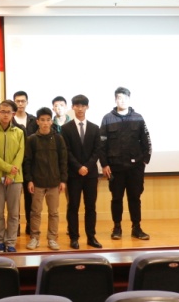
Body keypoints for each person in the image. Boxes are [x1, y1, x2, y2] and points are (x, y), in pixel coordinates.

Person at [99, 86, 152, 241]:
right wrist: (104, 164)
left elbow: (146, 140)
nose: (122, 101)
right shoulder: (107, 118)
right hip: (115, 168)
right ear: (115, 99)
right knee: (116, 198)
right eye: (119, 98)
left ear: (129, 99)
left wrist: (144, 160)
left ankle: (136, 227)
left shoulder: (138, 117)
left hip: (135, 168)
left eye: (125, 98)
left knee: (135, 198)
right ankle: (117, 227)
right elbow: (102, 144)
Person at [60, 94, 102, 249]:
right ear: (72, 107)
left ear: (87, 107)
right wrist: (78, 167)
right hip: (73, 175)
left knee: (91, 207)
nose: (80, 108)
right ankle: (74, 237)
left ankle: (91, 237)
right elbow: (66, 151)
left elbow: (97, 150)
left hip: (90, 175)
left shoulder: (95, 128)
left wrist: (87, 167)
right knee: (73, 206)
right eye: (77, 105)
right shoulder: (66, 128)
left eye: (83, 105)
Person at [24, 107, 67, 251]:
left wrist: (63, 180)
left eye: (48, 120)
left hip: (54, 182)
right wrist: (29, 180)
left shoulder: (58, 139)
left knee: (54, 213)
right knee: (35, 212)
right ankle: (34, 238)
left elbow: (63, 160)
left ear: (51, 121)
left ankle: (52, 239)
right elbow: (27, 161)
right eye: (42, 120)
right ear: (37, 121)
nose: (45, 123)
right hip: (37, 183)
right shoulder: (31, 139)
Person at [0, 100, 24, 253]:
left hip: (15, 178)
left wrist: (11, 174)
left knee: (14, 213)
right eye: (3, 111)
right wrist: (8, 168)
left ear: (13, 114)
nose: (5, 114)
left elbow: (20, 154)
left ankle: (11, 242)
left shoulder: (19, 132)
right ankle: (0, 240)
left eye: (8, 112)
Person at [12, 90, 37, 236]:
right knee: (14, 199)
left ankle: (30, 225)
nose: (20, 104)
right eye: (17, 101)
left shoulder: (34, 120)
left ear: (27, 102)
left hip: (31, 165)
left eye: (23, 101)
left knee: (30, 197)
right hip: (15, 165)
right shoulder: (10, 120)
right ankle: (15, 226)